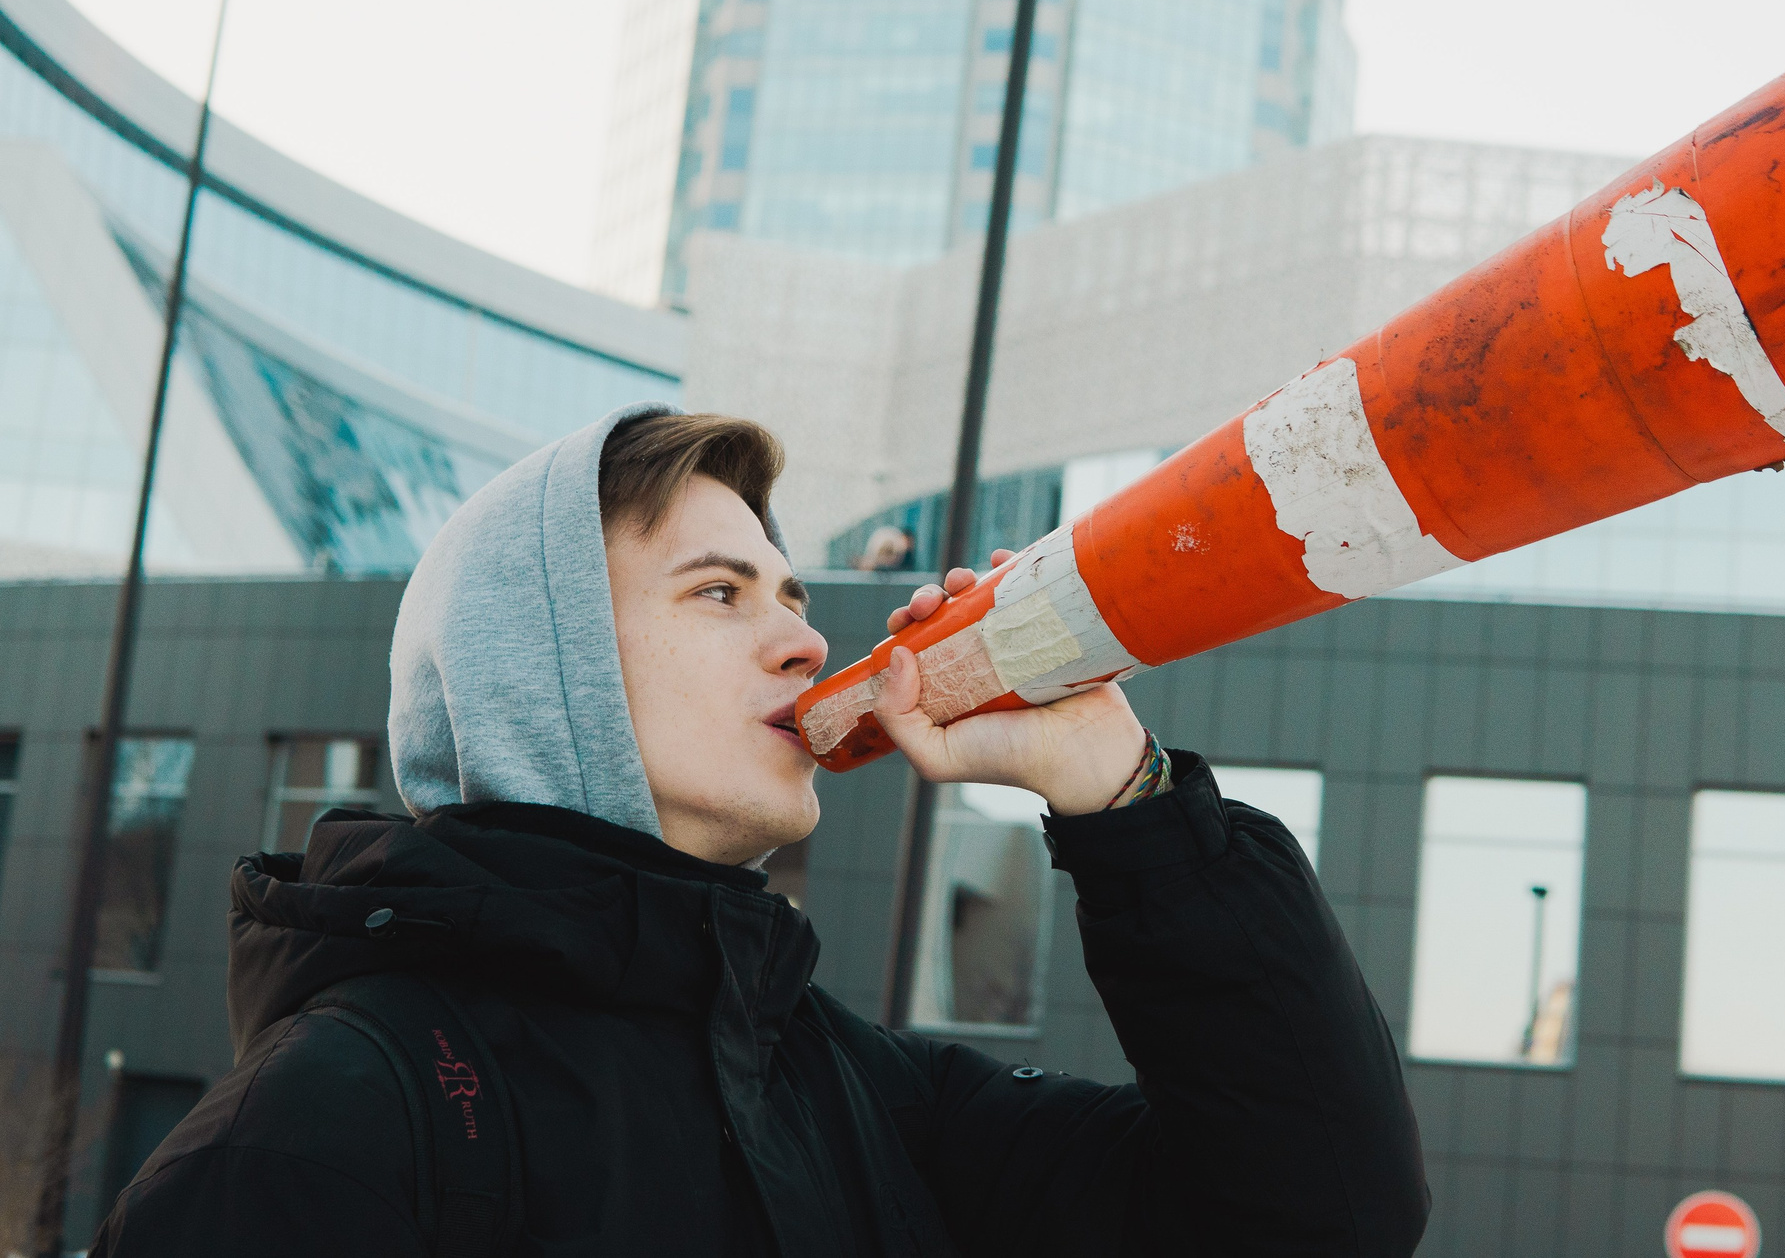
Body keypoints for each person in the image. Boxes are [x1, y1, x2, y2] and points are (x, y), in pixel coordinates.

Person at [92, 406, 1429, 1255]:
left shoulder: (858, 1089)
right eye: (720, 593)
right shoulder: (326, 1127)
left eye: (789, 595)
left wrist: (1116, 785)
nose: (803, 641)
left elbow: (1320, 1213)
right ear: (544, 671)